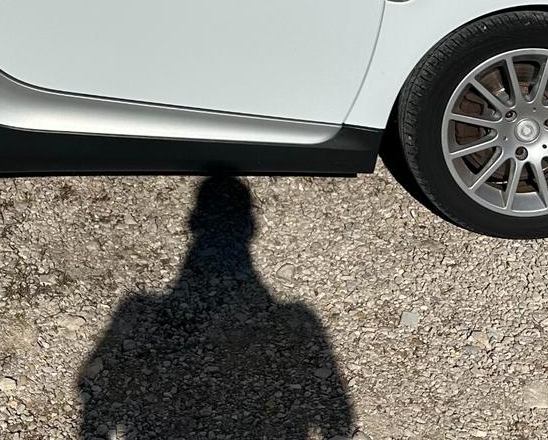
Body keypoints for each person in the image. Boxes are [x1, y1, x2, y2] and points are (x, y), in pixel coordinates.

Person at [78, 176, 355, 439]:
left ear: (193, 221)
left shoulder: (136, 308)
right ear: (250, 228)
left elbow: (91, 393)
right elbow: (336, 413)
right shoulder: (299, 317)